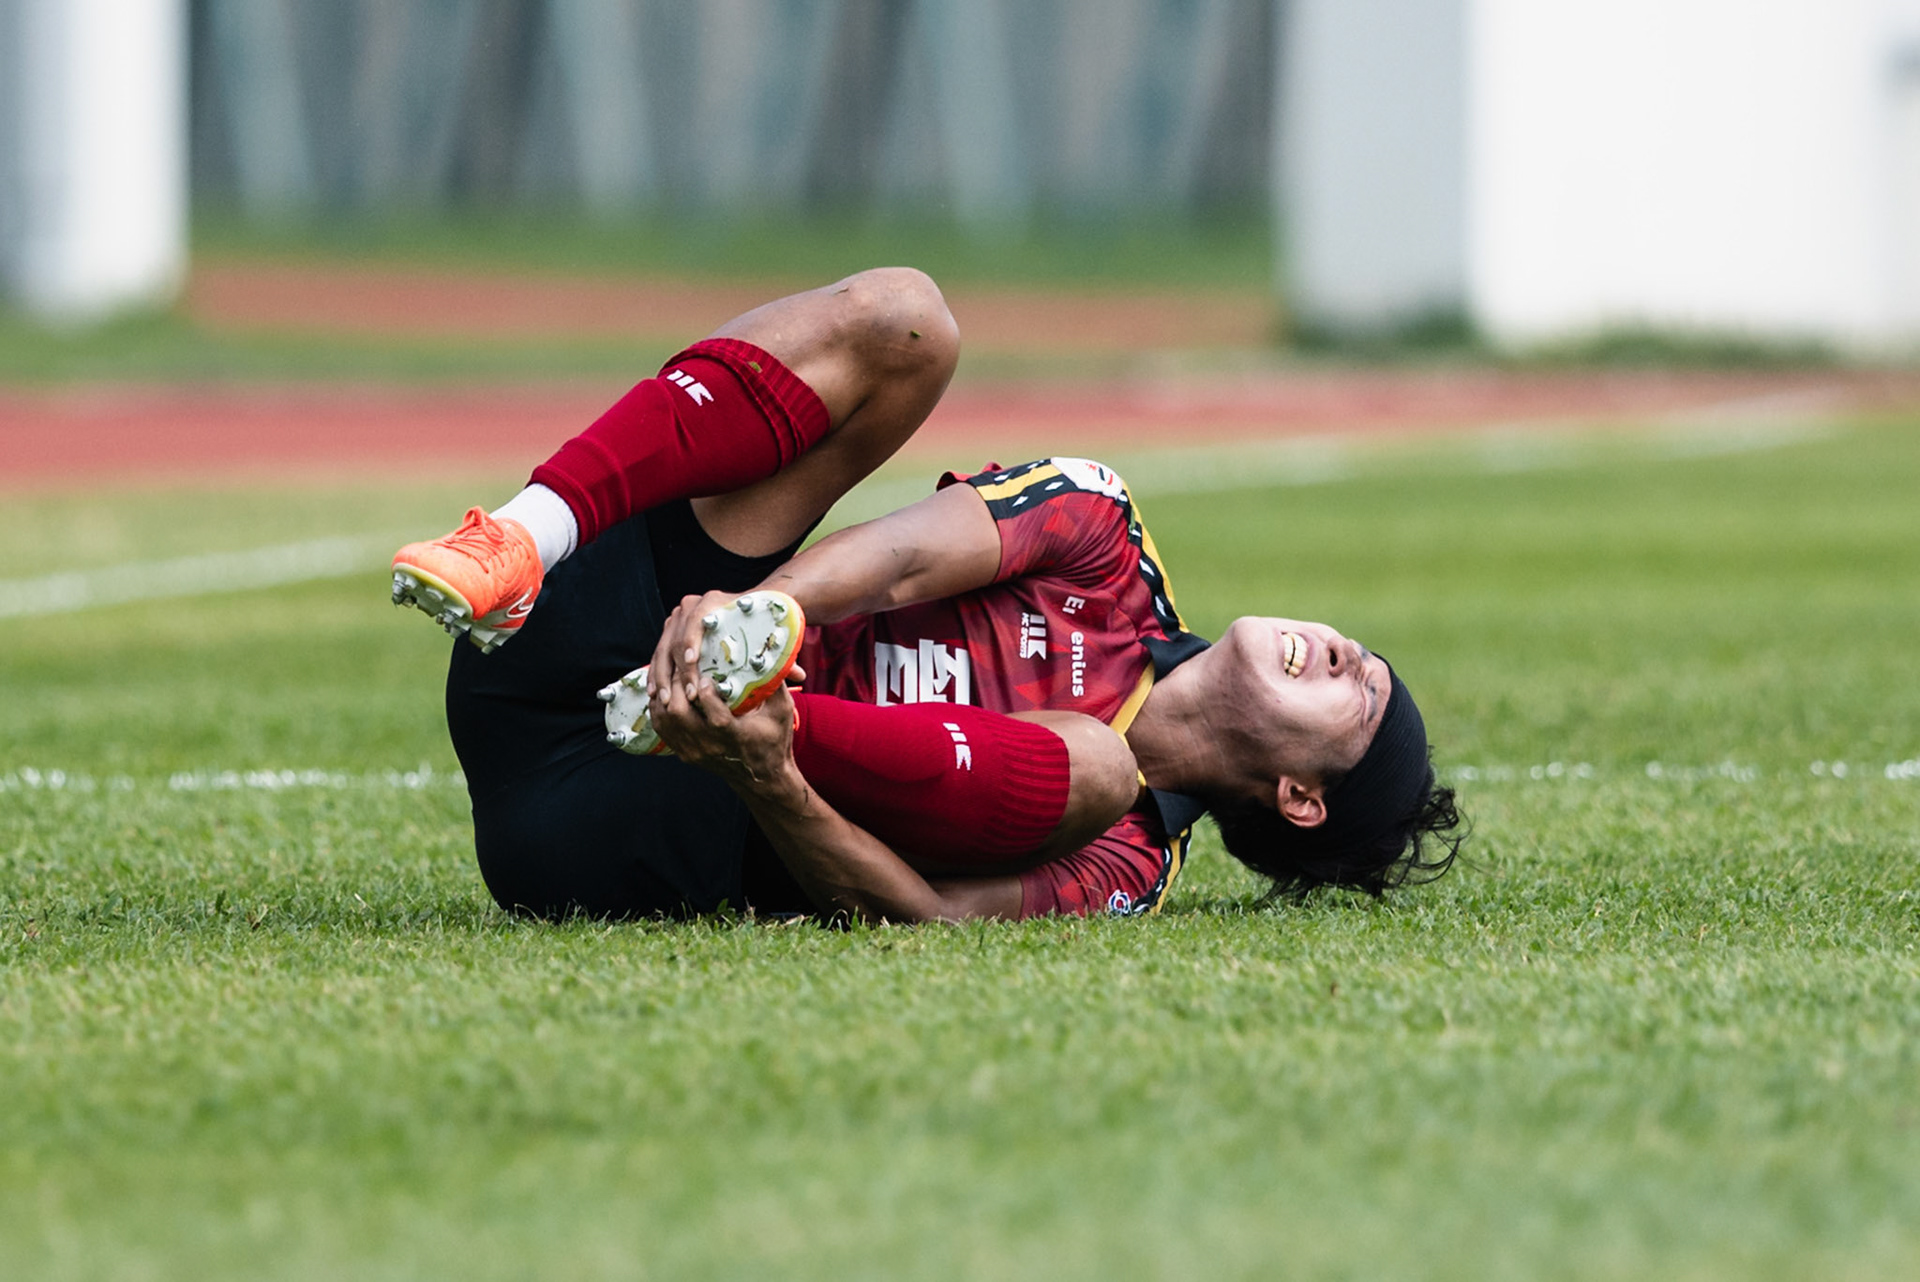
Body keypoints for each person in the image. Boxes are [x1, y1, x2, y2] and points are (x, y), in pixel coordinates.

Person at [390, 268, 1463, 923]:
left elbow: (929, 916)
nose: (1338, 648)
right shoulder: (1105, 534)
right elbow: (902, 555)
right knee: (909, 321)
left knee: (1100, 765)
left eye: (1353, 691)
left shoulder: (1129, 863)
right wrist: (759, 612)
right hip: (614, 617)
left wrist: (770, 773)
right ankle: (521, 537)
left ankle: (762, 708)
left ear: (1299, 798)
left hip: (620, 815)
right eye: (1357, 648)